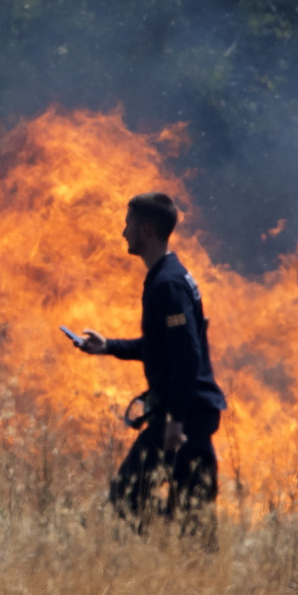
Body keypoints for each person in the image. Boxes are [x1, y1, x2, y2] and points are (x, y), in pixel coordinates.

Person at [75, 192, 226, 543]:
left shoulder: (168, 284)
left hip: (184, 418)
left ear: (145, 230)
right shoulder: (168, 277)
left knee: (126, 497)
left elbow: (187, 353)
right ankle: (182, 561)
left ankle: (171, 551)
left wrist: (174, 420)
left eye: (127, 224)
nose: (122, 232)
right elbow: (165, 348)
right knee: (192, 519)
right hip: (190, 412)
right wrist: (108, 346)